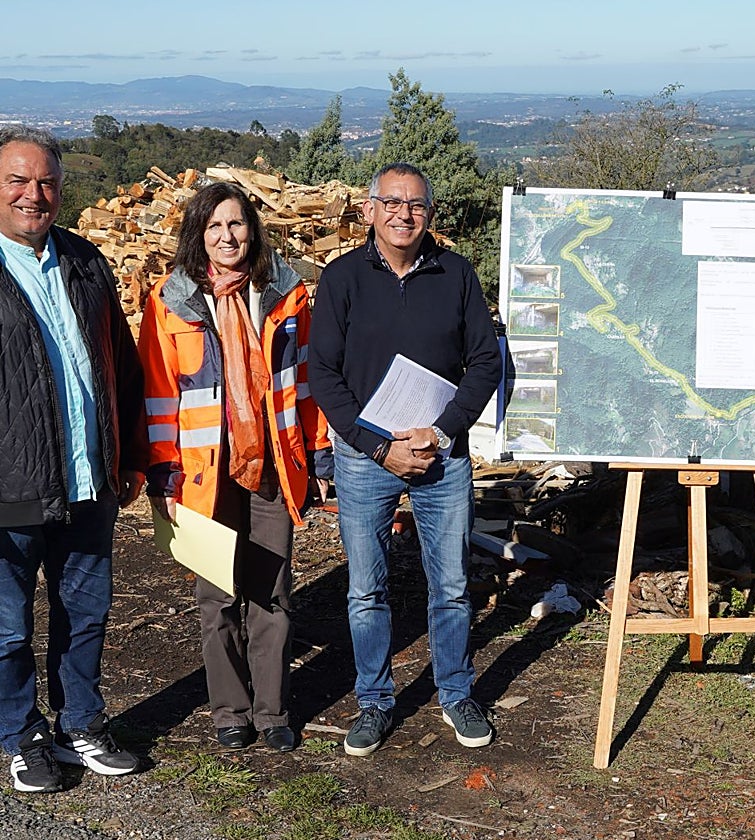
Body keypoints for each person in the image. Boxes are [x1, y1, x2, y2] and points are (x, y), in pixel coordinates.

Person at [309, 162, 501, 754]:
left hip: (441, 455)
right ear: (370, 209)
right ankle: (374, 701)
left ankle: (456, 693)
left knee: (452, 585)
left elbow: (485, 362)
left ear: (429, 214)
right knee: (366, 589)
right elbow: (323, 374)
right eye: (392, 202)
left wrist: (442, 432)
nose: (403, 214)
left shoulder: (457, 274)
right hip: (365, 458)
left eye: (416, 204)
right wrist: (378, 448)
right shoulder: (341, 278)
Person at [138, 182, 331, 753]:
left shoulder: (286, 295)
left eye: (237, 224)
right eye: (214, 226)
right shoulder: (170, 301)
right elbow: (157, 393)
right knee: (217, 596)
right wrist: (162, 471)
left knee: (272, 593)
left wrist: (318, 453)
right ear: (198, 235)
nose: (227, 236)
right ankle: (230, 710)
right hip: (204, 476)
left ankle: (272, 712)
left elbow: (306, 383)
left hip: (273, 464)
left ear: (253, 230)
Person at [0, 125, 148, 792]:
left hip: (89, 478)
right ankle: (21, 735)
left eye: (47, 183)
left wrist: (131, 455)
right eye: (18, 181)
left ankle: (79, 724)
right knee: (7, 629)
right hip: (9, 487)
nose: (34, 195)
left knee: (85, 615)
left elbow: (123, 365)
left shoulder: (86, 261)